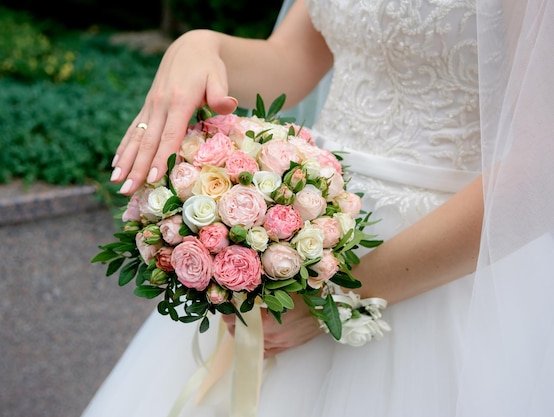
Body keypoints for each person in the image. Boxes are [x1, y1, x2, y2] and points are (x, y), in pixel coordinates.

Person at [81, 0, 554, 416]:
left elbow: (541, 170)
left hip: (447, 259)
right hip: (300, 217)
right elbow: (289, 61)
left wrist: (337, 297)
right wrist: (200, 47)